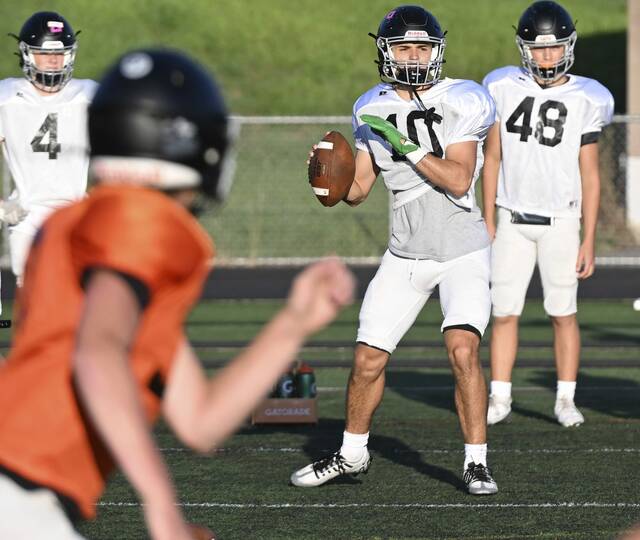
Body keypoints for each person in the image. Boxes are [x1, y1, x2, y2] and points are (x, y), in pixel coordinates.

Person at [0, 48, 356, 540]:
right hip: (18, 492)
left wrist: (294, 322)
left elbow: (200, 422)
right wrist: (161, 507)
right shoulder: (142, 219)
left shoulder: (83, 229)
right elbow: (97, 351)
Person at [291, 5, 498, 495]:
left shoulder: (466, 98)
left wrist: (401, 142)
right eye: (403, 47)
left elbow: (458, 178)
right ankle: (352, 454)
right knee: (366, 359)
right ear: (385, 52)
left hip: (462, 250)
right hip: (405, 254)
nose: (413, 56)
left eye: (422, 47)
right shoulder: (370, 106)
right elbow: (360, 188)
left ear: (437, 51)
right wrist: (327, 176)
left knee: (463, 350)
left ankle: (476, 462)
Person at [482, 1, 614, 427]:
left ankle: (565, 398)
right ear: (524, 49)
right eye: (539, 49)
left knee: (563, 313)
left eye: (555, 48)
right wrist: (487, 217)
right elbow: (493, 158)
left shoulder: (587, 96)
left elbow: (590, 175)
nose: (547, 56)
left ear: (567, 47)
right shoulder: (501, 86)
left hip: (561, 220)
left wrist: (589, 238)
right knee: (503, 312)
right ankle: (499, 396)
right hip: (511, 218)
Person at [0, 11, 97, 301]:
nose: (54, 61)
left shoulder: (90, 95)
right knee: (35, 305)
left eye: (60, 54)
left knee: (82, 305)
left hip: (79, 217)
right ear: (27, 54)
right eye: (45, 53)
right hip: (27, 216)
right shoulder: (6, 97)